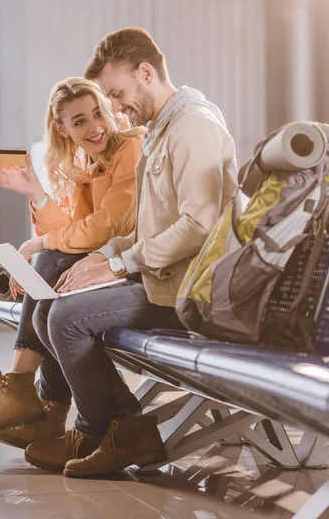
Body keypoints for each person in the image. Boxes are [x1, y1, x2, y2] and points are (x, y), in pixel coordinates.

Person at [24, 27, 238, 476]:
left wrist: (120, 262)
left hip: (190, 294)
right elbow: (147, 225)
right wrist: (102, 258)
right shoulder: (159, 132)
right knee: (49, 308)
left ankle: (96, 430)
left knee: (66, 318)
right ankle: (126, 432)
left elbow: (200, 227)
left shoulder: (193, 125)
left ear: (146, 72)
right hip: (160, 282)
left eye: (117, 93)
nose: (115, 107)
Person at [0, 77, 144, 448]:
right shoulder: (83, 162)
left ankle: (25, 391)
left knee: (52, 270)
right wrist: (36, 194)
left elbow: (107, 227)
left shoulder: (131, 148)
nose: (94, 127)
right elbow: (74, 234)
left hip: (132, 269)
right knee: (52, 277)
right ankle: (45, 410)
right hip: (96, 270)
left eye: (98, 114)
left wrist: (37, 243)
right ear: (62, 128)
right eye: (79, 122)